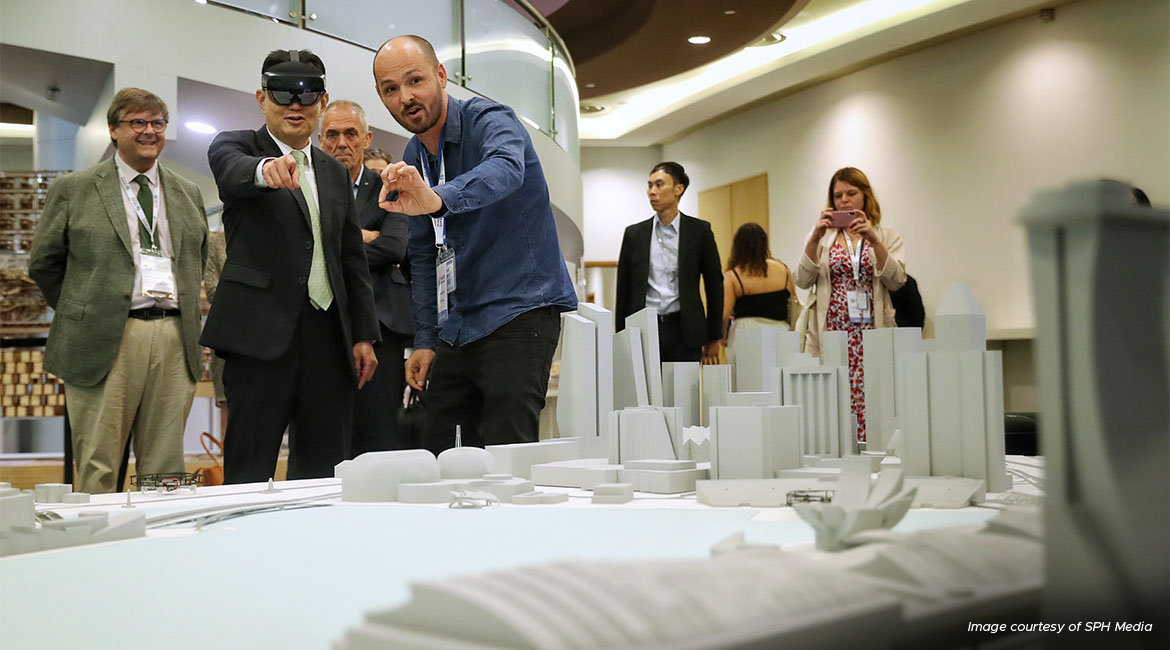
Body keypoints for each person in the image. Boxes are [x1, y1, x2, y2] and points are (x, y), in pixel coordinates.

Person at [371, 35, 577, 455]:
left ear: (441, 76)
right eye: (391, 89)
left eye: (415, 80)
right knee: (440, 451)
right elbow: (426, 256)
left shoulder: (490, 119)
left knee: (506, 452)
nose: (406, 97)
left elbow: (505, 169)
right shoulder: (415, 154)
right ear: (381, 96)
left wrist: (438, 198)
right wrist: (426, 339)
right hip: (458, 326)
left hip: (520, 311)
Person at [202, 50, 380, 483]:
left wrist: (363, 335)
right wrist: (267, 170)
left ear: (323, 100)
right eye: (283, 94)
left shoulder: (335, 173)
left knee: (323, 471)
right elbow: (233, 172)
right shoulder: (237, 146)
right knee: (248, 469)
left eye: (308, 94)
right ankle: (241, 546)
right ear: (261, 98)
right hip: (260, 340)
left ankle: (314, 548)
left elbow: (350, 259)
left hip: (327, 340)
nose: (295, 105)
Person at [28, 87, 209, 494]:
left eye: (158, 123)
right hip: (104, 338)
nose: (149, 132)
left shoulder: (188, 192)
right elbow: (44, 262)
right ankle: (97, 549)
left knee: (165, 470)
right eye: (138, 123)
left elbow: (194, 261)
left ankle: (159, 549)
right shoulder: (75, 189)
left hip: (173, 337)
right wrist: (85, 309)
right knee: (98, 462)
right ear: (114, 130)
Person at [319, 99, 414, 453]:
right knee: (327, 436)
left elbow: (393, 248)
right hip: (323, 326)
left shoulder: (389, 187)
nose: (341, 142)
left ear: (366, 138)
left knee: (380, 436)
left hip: (381, 328)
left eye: (350, 133)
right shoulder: (306, 188)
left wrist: (336, 244)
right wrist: (361, 236)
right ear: (320, 139)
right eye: (332, 134)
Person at [794, 167, 906, 443]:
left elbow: (898, 280)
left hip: (871, 330)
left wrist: (874, 241)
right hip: (832, 331)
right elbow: (802, 279)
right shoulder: (823, 237)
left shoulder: (886, 234)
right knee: (834, 393)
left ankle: (873, 452)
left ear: (866, 196)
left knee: (874, 393)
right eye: (837, 195)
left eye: (851, 193)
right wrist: (814, 239)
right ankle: (837, 451)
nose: (844, 200)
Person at [615, 162, 723, 364]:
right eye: (649, 186)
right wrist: (620, 335)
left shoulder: (699, 232)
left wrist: (714, 335)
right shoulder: (634, 234)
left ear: (678, 189)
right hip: (644, 326)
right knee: (645, 393)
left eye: (658, 185)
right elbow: (623, 289)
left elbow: (714, 284)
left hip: (685, 329)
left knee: (683, 393)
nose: (651, 192)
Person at [720, 223, 799, 364]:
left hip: (745, 335)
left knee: (746, 383)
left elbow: (724, 315)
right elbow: (793, 304)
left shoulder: (733, 276)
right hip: (780, 335)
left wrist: (720, 336)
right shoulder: (783, 270)